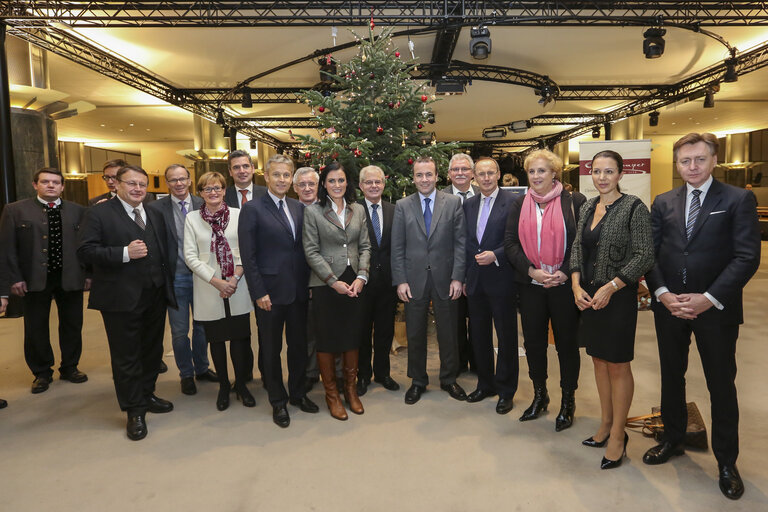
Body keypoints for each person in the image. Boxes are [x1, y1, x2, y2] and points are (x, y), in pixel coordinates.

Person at [643, 133, 761, 500]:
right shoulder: (663, 201)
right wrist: (662, 294)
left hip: (716, 310)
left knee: (721, 385)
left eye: (699, 159)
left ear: (714, 161)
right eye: (684, 161)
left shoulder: (738, 199)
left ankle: (727, 462)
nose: (691, 167)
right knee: (671, 376)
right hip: (671, 307)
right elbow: (651, 253)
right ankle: (674, 438)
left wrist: (709, 298)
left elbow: (746, 257)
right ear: (677, 164)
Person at [78, 165, 176, 441]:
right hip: (120, 298)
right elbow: (85, 250)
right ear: (116, 184)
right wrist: (124, 253)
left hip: (155, 295)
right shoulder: (98, 213)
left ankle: (147, 395)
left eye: (142, 184)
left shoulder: (154, 213)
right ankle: (134, 411)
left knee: (152, 351)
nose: (138, 189)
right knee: (127, 356)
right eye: (131, 183)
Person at [570, 150, 654, 469]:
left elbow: (645, 255)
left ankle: (618, 435)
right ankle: (605, 425)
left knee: (617, 364)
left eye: (609, 171)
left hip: (616, 297)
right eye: (597, 171)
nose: (602, 177)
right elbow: (578, 247)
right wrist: (576, 285)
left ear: (620, 174)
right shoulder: (588, 206)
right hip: (589, 297)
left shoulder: (634, 208)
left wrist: (612, 286)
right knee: (598, 360)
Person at [504, 149, 585, 431]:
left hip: (564, 286)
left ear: (554, 173)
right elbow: (511, 244)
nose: (536, 176)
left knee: (566, 345)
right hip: (531, 286)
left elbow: (580, 242)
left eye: (542, 171)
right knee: (534, 344)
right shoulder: (519, 204)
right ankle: (540, 395)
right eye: (532, 171)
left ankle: (567, 400)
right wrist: (531, 270)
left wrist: (564, 270)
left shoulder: (573, 201)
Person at [239, 155, 318, 428]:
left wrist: (308, 286)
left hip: (297, 291)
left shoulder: (298, 207)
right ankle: (277, 400)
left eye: (287, 175)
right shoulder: (253, 209)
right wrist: (258, 292)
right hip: (269, 294)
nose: (282, 180)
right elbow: (248, 256)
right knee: (271, 349)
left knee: (297, 347)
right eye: (277, 175)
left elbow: (304, 251)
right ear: (266, 176)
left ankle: (297, 394)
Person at [0, 168, 89, 394]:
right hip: (33, 280)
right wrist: (15, 278)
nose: (51, 185)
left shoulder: (78, 211)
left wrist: (89, 274)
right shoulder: (15, 211)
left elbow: (87, 246)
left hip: (70, 277)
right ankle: (41, 372)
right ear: (35, 185)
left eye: (56, 182)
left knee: (72, 324)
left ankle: (70, 367)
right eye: (45, 182)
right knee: (35, 326)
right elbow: (7, 249)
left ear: (62, 186)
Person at [391, 156, 467, 405]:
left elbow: (460, 243)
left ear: (437, 177)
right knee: (414, 332)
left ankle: (448, 379)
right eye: (419, 175)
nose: (424, 179)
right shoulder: (402, 205)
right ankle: (418, 381)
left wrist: (458, 277)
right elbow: (398, 246)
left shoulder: (453, 203)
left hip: (446, 278)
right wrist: (400, 280)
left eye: (429, 175)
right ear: (413, 178)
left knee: (448, 332)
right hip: (413, 280)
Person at [303, 162, 370, 420]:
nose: (337, 185)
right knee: (328, 341)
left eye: (341, 180)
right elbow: (311, 251)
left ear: (347, 182)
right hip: (325, 285)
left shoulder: (358, 209)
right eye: (331, 181)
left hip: (354, 283)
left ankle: (350, 391)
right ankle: (332, 394)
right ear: (324, 184)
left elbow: (364, 246)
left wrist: (362, 276)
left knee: (352, 337)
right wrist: (333, 281)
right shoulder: (313, 212)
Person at [184, 171, 254, 412]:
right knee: (216, 340)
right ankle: (224, 386)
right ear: (200, 193)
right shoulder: (192, 219)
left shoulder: (239, 215)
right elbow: (190, 256)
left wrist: (233, 279)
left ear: (225, 190)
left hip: (238, 284)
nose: (213, 192)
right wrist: (216, 281)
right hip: (208, 286)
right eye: (207, 189)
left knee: (239, 338)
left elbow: (248, 248)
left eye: (217, 188)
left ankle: (242, 385)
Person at [147, 164, 216, 395]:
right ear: (167, 183)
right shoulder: (155, 209)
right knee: (179, 331)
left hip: (202, 277)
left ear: (189, 180)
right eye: (173, 180)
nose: (178, 183)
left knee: (202, 327)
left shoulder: (203, 202)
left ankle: (202, 368)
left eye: (182, 179)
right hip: (175, 278)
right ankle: (186, 374)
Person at [463, 158, 519, 413]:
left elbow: (518, 239)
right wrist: (464, 277)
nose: (486, 178)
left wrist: (496, 254)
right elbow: (465, 242)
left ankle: (506, 390)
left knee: (506, 336)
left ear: (498, 175)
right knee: (479, 335)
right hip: (475, 281)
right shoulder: (469, 204)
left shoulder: (514, 202)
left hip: (502, 278)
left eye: (490, 173)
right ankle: (485, 384)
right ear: (474, 177)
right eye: (481, 174)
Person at [223, 149, 266, 383]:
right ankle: (244, 375)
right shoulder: (222, 195)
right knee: (239, 328)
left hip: (263, 269)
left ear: (252, 168)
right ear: (230, 172)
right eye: (236, 167)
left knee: (265, 326)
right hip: (233, 272)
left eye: (245, 166)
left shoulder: (266, 193)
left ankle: (266, 372)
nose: (242, 171)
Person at [356, 165, 400, 396]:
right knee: (362, 331)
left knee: (385, 330)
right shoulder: (353, 210)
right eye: (369, 182)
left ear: (384, 184)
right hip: (361, 282)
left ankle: (382, 373)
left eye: (378, 182)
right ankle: (363, 375)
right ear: (361, 185)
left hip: (388, 283)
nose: (374, 186)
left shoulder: (395, 210)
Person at [443, 153, 479, 374]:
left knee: (478, 321)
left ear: (472, 173)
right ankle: (456, 364)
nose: (460, 173)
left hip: (479, 270)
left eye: (464, 169)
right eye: (455, 169)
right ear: (448, 174)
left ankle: (478, 363)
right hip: (449, 271)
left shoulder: (483, 195)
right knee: (453, 323)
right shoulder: (440, 197)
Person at [293, 166, 322, 389]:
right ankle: (310, 373)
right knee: (304, 333)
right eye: (302, 184)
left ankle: (335, 373)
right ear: (295, 188)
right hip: (295, 283)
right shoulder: (290, 211)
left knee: (328, 329)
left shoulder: (328, 209)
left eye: (311, 184)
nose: (307, 188)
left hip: (325, 280)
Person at [89, 159, 156, 206]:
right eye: (107, 177)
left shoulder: (145, 197)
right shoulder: (96, 202)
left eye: (114, 177)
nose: (110, 182)